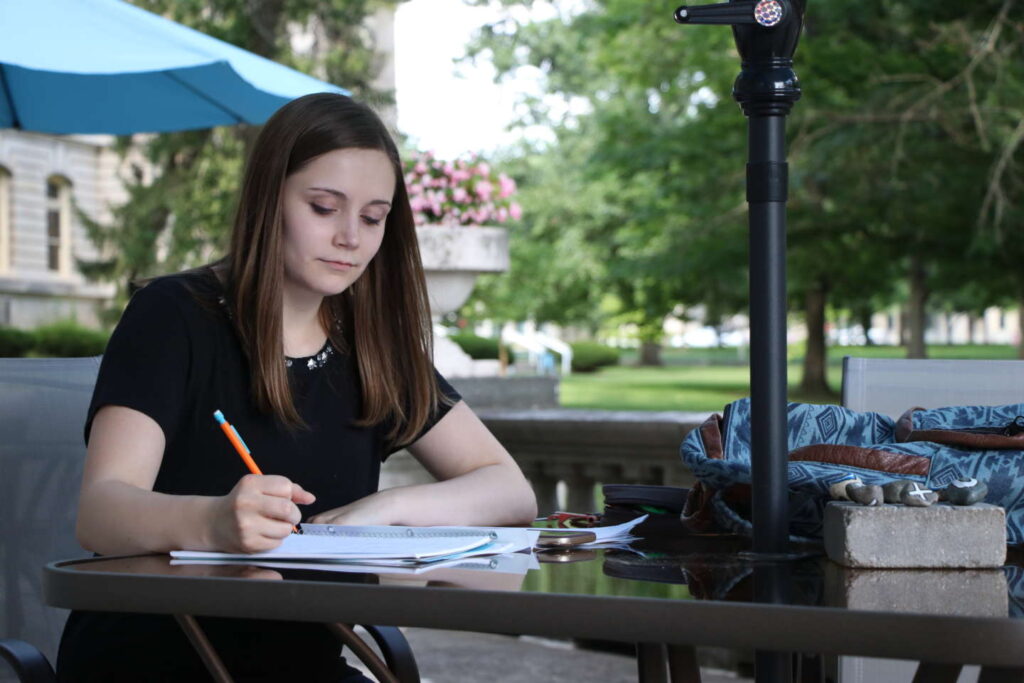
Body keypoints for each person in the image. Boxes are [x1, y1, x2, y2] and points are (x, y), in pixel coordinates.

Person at [56, 93, 538, 682]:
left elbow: (509, 490)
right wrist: (214, 522)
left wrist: (379, 513)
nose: (349, 238)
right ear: (268, 200)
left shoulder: (373, 345)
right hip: (153, 660)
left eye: (372, 217)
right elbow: (100, 512)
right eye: (323, 207)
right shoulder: (172, 316)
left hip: (304, 662)